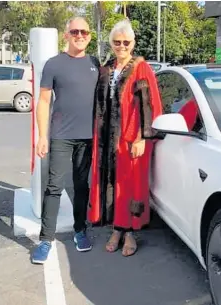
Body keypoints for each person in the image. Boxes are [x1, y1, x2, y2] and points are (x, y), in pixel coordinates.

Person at [88, 19, 163, 257]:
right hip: (109, 137)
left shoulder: (142, 68)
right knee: (112, 183)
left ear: (133, 43)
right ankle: (117, 229)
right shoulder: (107, 67)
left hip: (132, 139)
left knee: (130, 186)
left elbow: (151, 105)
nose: (121, 46)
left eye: (126, 42)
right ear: (111, 44)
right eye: (117, 42)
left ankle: (130, 232)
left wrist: (143, 136)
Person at [31, 17, 100, 264]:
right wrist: (42, 136)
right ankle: (45, 240)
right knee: (54, 186)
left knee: (82, 186)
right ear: (66, 35)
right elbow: (43, 102)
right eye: (75, 31)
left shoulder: (95, 63)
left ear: (90, 36)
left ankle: (80, 230)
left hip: (87, 137)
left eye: (84, 31)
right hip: (60, 135)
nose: (80, 35)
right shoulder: (54, 64)